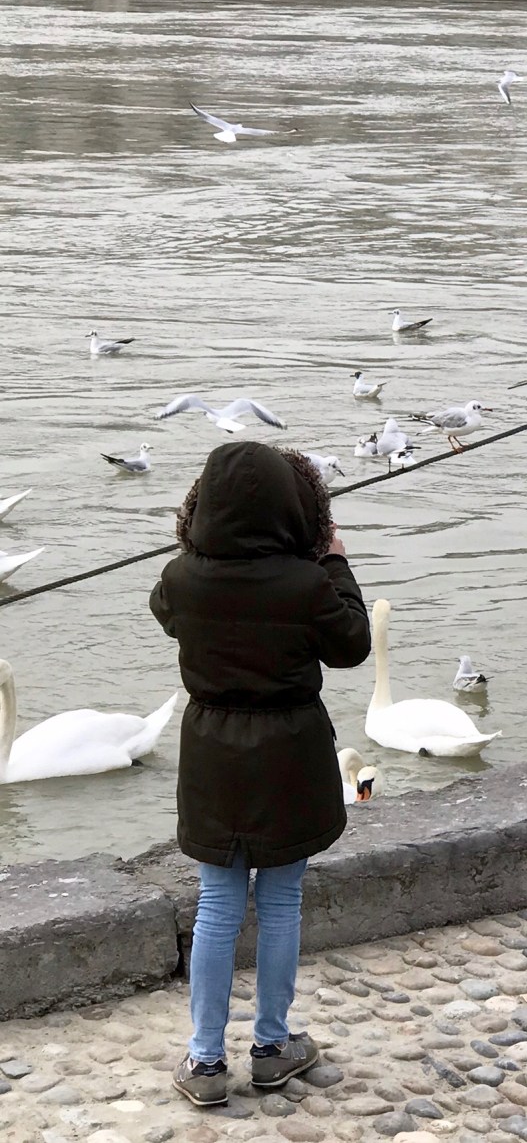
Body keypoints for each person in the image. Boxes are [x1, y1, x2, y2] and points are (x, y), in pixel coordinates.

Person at [150, 442, 370, 1107]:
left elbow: (165, 612)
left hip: (212, 756)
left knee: (217, 906)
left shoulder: (182, 578)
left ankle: (205, 1060)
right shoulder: (306, 585)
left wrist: (197, 553)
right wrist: (333, 558)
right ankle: (272, 1047)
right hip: (289, 755)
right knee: (280, 902)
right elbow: (353, 644)